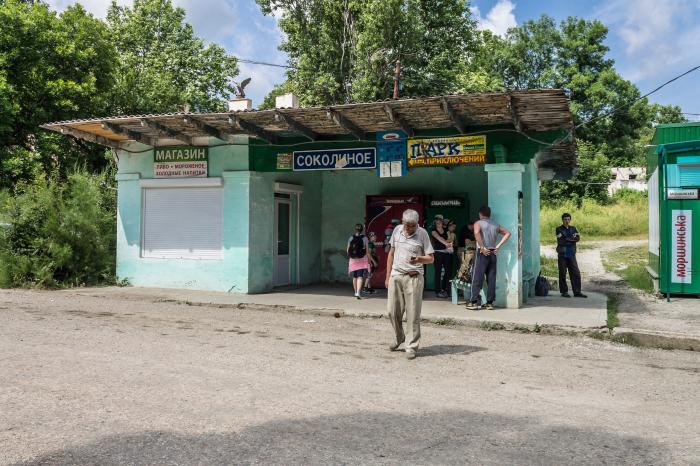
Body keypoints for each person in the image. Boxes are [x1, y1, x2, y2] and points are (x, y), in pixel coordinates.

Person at [385, 209, 434, 360]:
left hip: (414, 277)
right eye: (408, 225)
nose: (411, 228)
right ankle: (399, 337)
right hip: (396, 275)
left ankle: (411, 346)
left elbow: (431, 258)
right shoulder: (397, 231)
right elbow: (391, 253)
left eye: (413, 225)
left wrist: (419, 259)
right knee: (392, 311)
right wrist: (388, 277)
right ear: (402, 222)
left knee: (412, 314)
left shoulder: (423, 234)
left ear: (417, 223)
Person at [467, 206, 511, 311]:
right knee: (491, 279)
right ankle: (489, 303)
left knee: (477, 277)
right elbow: (508, 233)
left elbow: (477, 233)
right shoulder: (495, 225)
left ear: (480, 214)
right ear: (489, 214)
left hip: (483, 253)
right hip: (492, 253)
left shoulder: (478, 223)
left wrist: (482, 247)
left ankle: (474, 302)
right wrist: (498, 246)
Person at [556, 213, 587, 298]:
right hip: (562, 253)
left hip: (570, 252)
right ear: (562, 220)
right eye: (565, 219)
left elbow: (577, 238)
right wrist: (571, 239)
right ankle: (564, 292)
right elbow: (561, 241)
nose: (567, 221)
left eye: (568, 219)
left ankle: (577, 292)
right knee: (562, 272)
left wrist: (567, 238)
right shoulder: (558, 229)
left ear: (570, 220)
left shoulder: (573, 228)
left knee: (575, 272)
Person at [430, 215, 452, 298]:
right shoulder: (433, 231)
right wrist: (446, 243)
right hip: (437, 253)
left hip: (447, 253)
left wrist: (450, 242)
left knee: (448, 271)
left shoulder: (446, 230)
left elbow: (450, 237)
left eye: (440, 221)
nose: (439, 222)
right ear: (435, 222)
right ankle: (437, 291)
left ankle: (447, 289)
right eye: (437, 221)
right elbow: (438, 238)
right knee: (438, 272)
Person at [347, 223, 370, 299]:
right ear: (362, 230)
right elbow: (367, 251)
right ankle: (358, 293)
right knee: (360, 276)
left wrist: (353, 255)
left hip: (353, 260)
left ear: (355, 229)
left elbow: (347, 250)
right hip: (362, 259)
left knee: (355, 276)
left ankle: (355, 292)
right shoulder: (365, 238)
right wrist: (369, 260)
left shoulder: (351, 238)